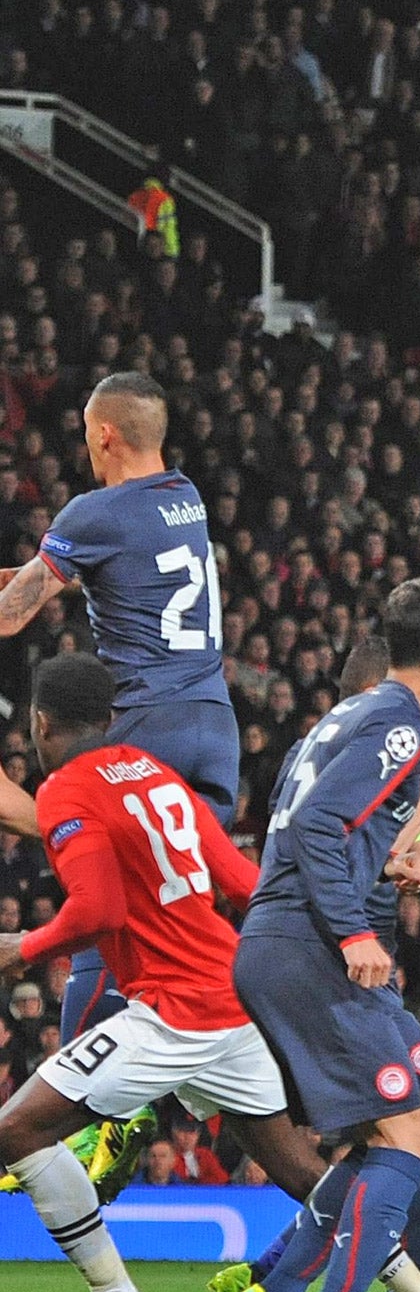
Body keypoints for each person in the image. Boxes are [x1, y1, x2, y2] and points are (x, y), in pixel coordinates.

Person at [0, 655, 325, 1292]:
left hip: (173, 1012)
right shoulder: (154, 773)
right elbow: (243, 879)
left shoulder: (64, 791)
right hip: (231, 1001)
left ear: (41, 723)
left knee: (17, 1129)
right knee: (302, 1173)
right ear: (112, 718)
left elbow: (97, 910)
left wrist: (22, 946)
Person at [210, 634, 420, 1292]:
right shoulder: (390, 733)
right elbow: (359, 851)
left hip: (347, 964)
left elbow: (406, 862)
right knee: (407, 1136)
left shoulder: (338, 741)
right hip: (328, 955)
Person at [0, 373, 239, 1049]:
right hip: (213, 726)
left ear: (104, 433)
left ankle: (83, 1097)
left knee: (97, 895)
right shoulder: (183, 496)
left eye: (84, 431)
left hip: (146, 725)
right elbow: (52, 583)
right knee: (160, 907)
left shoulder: (93, 513)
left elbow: (10, 616)